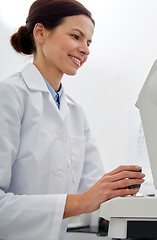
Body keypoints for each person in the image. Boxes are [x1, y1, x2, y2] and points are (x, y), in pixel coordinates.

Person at [0, 0, 145, 239]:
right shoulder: (9, 96)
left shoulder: (75, 111)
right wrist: (82, 201)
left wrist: (125, 193)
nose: (85, 49)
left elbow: (93, 191)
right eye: (76, 37)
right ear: (40, 32)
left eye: (88, 42)